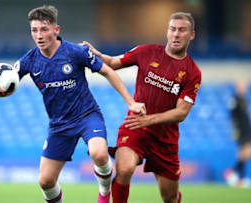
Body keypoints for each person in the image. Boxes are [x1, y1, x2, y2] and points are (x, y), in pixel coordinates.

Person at [0, 5, 145, 203]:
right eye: (34, 30)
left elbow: (107, 71)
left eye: (44, 29)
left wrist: (131, 102)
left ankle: (104, 192)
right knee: (45, 181)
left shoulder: (76, 52)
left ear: (56, 30)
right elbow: (3, 86)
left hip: (87, 115)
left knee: (99, 153)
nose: (39, 35)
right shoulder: (29, 61)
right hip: (59, 125)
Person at [83, 12, 201, 203]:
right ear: (167, 32)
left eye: (182, 30)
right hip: (135, 126)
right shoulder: (147, 51)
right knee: (124, 169)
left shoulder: (192, 72)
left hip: (165, 139)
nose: (176, 34)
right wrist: (96, 55)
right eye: (172, 29)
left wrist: (150, 119)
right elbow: (113, 63)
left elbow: (181, 113)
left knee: (170, 197)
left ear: (191, 35)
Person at [224, 78, 251, 188]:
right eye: (242, 86)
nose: (244, 88)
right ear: (238, 87)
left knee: (245, 154)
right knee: (246, 153)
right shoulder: (234, 99)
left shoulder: (244, 100)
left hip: (247, 129)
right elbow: (232, 117)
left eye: (245, 86)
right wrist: (235, 130)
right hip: (241, 130)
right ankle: (232, 173)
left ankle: (240, 178)